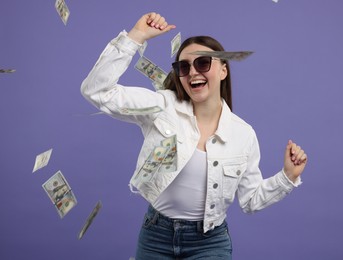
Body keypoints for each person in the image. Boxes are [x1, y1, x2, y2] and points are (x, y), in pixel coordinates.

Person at [81, 12, 307, 260]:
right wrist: (136, 36)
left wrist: (287, 177)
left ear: (223, 70)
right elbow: (97, 91)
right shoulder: (161, 107)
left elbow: (250, 200)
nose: (192, 72)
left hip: (209, 243)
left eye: (203, 63)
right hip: (156, 235)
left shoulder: (243, 134)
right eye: (183, 67)